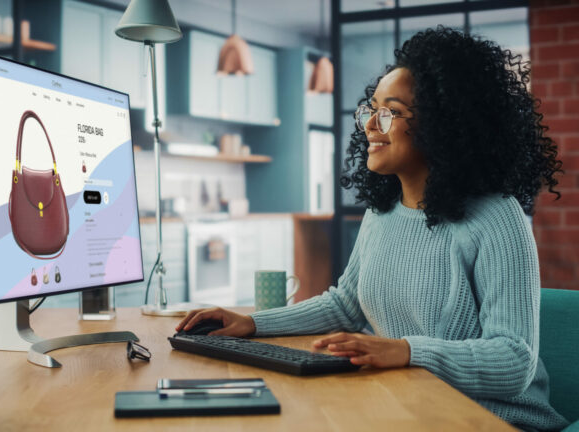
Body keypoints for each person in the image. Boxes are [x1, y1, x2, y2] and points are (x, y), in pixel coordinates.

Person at [176, 26, 569, 431]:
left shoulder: (495, 218)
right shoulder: (382, 212)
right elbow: (345, 304)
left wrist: (404, 351)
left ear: (443, 123)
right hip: (411, 407)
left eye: (390, 112)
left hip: (494, 421)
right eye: (370, 109)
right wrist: (254, 323)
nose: (370, 125)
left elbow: (513, 360)